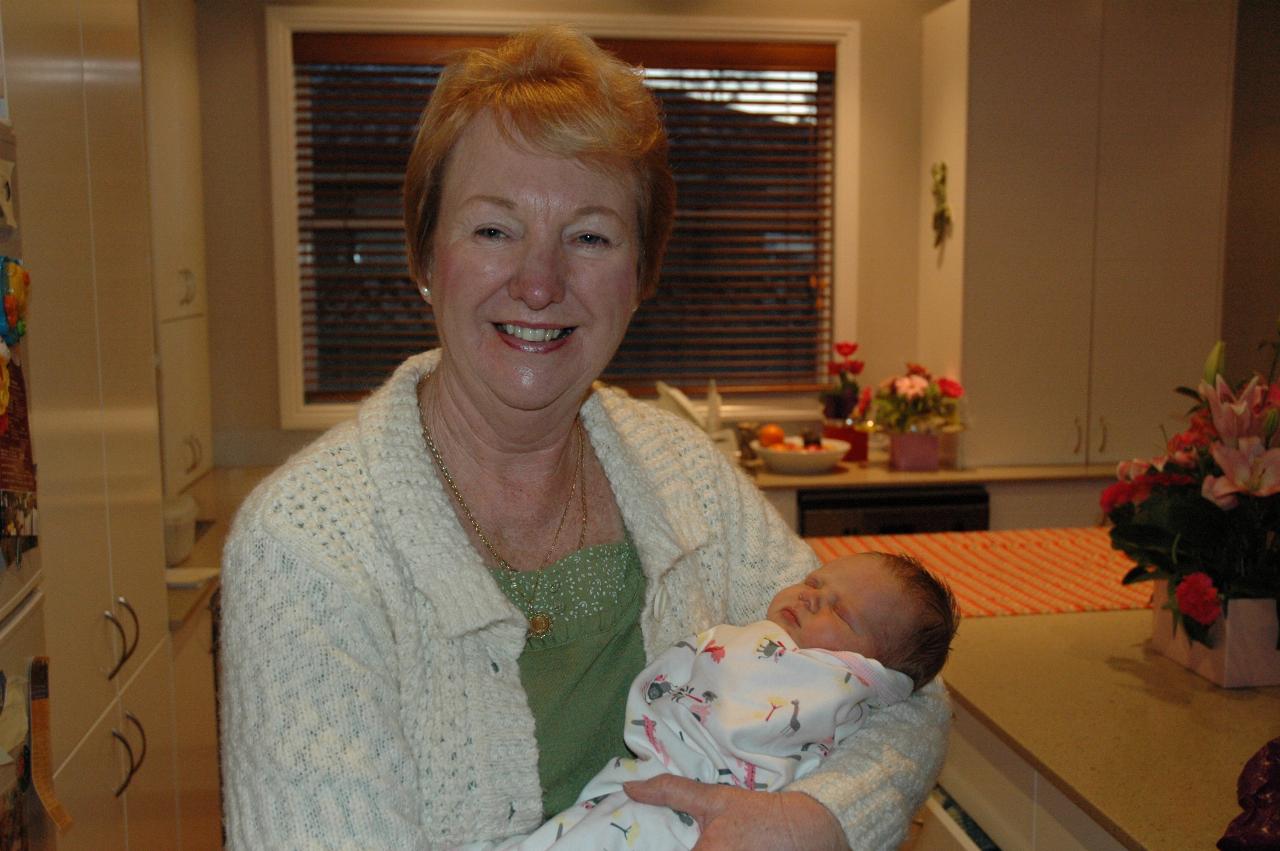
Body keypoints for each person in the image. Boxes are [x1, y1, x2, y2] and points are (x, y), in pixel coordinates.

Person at [219, 24, 951, 850]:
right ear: (426, 253)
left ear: (641, 274)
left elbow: (905, 695)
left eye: (591, 236)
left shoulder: (684, 476)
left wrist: (817, 819)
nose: (538, 282)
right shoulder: (307, 547)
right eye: (494, 229)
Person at [460, 552, 960, 850]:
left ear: (875, 674)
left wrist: (817, 819)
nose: (810, 597)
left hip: (705, 820)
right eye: (813, 582)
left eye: (841, 611)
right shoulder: (770, 635)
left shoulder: (842, 685)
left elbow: (921, 705)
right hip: (632, 789)